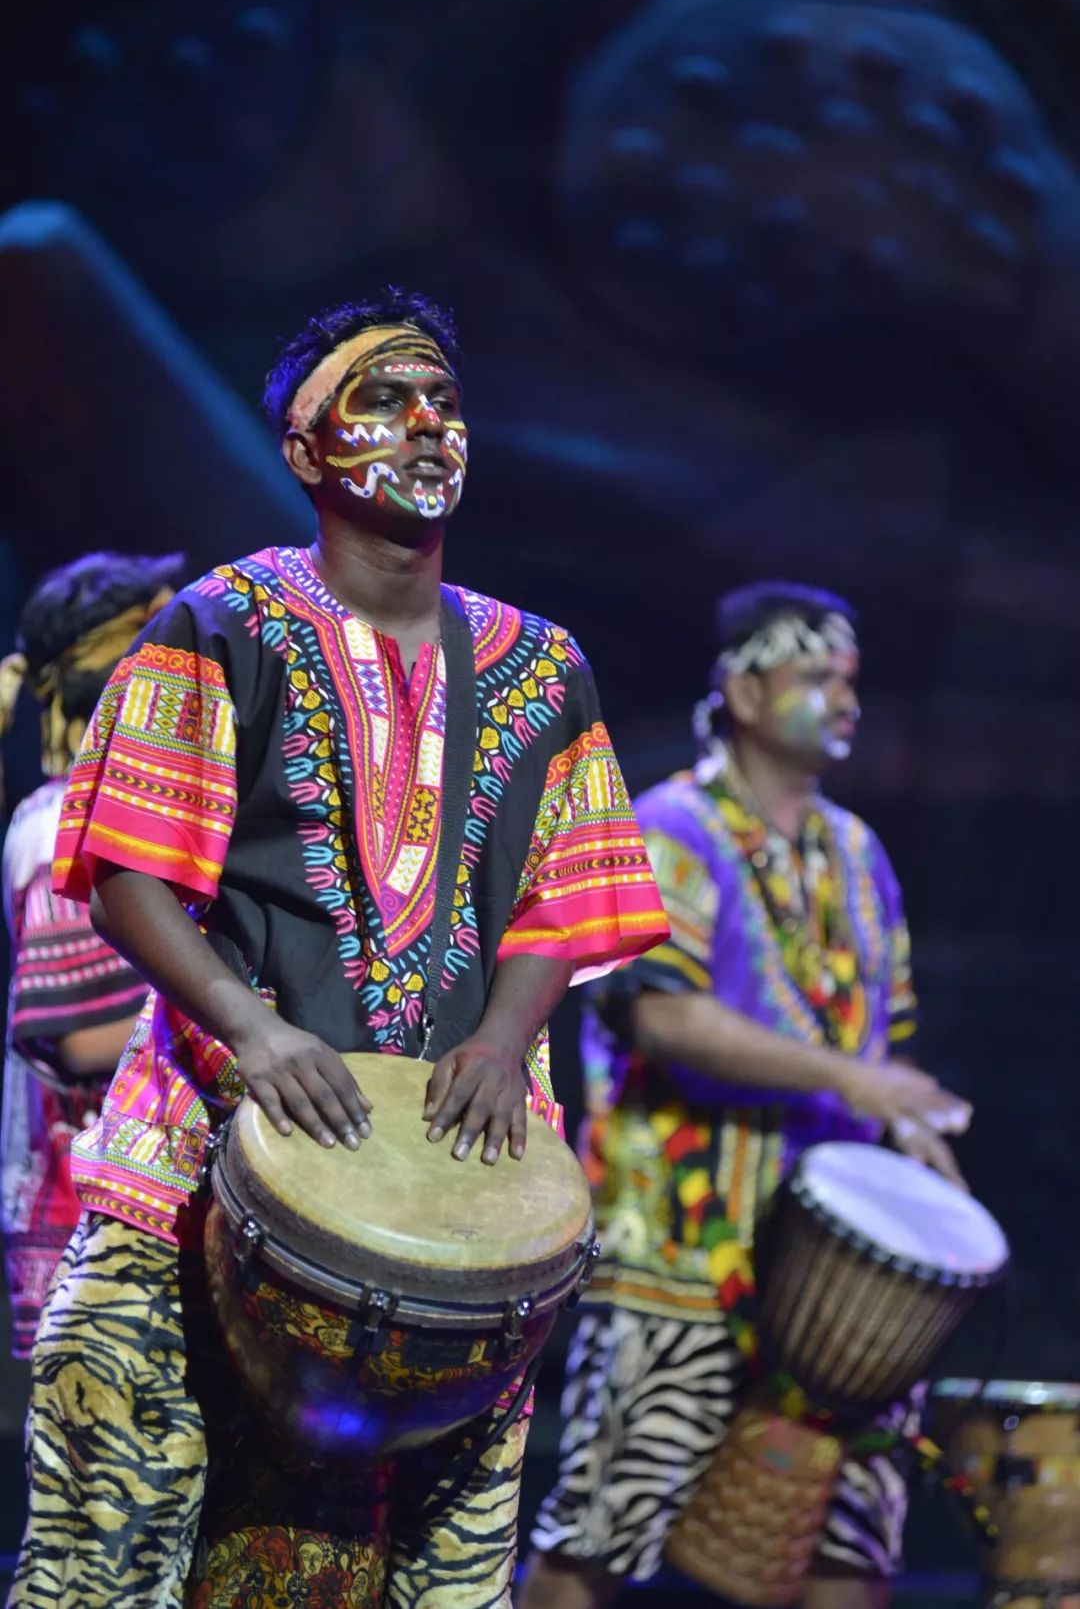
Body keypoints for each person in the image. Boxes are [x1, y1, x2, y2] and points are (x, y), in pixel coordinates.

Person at [9, 289, 668, 1609]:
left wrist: (500, 1035)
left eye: (444, 401)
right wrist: (250, 1028)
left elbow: (572, 890)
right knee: (105, 1551)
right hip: (194, 1154)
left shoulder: (545, 664)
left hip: (463, 1195)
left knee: (434, 1577)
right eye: (381, 399)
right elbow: (133, 869)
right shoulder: (222, 622)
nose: (427, 425)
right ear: (305, 452)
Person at [522, 581, 972, 1609]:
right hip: (679, 1247)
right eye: (817, 676)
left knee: (848, 1546)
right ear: (743, 688)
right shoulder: (671, 826)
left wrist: (915, 1145)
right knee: (601, 1529)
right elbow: (659, 1016)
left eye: (851, 680)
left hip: (838, 1276)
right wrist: (854, 1079)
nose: (845, 701)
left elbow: (886, 1043)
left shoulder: (860, 857)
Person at [0, 554, 179, 1359]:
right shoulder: (59, 826)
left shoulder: (116, 807)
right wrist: (239, 1007)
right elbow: (76, 1040)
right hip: (87, 1221)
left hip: (130, 1206)